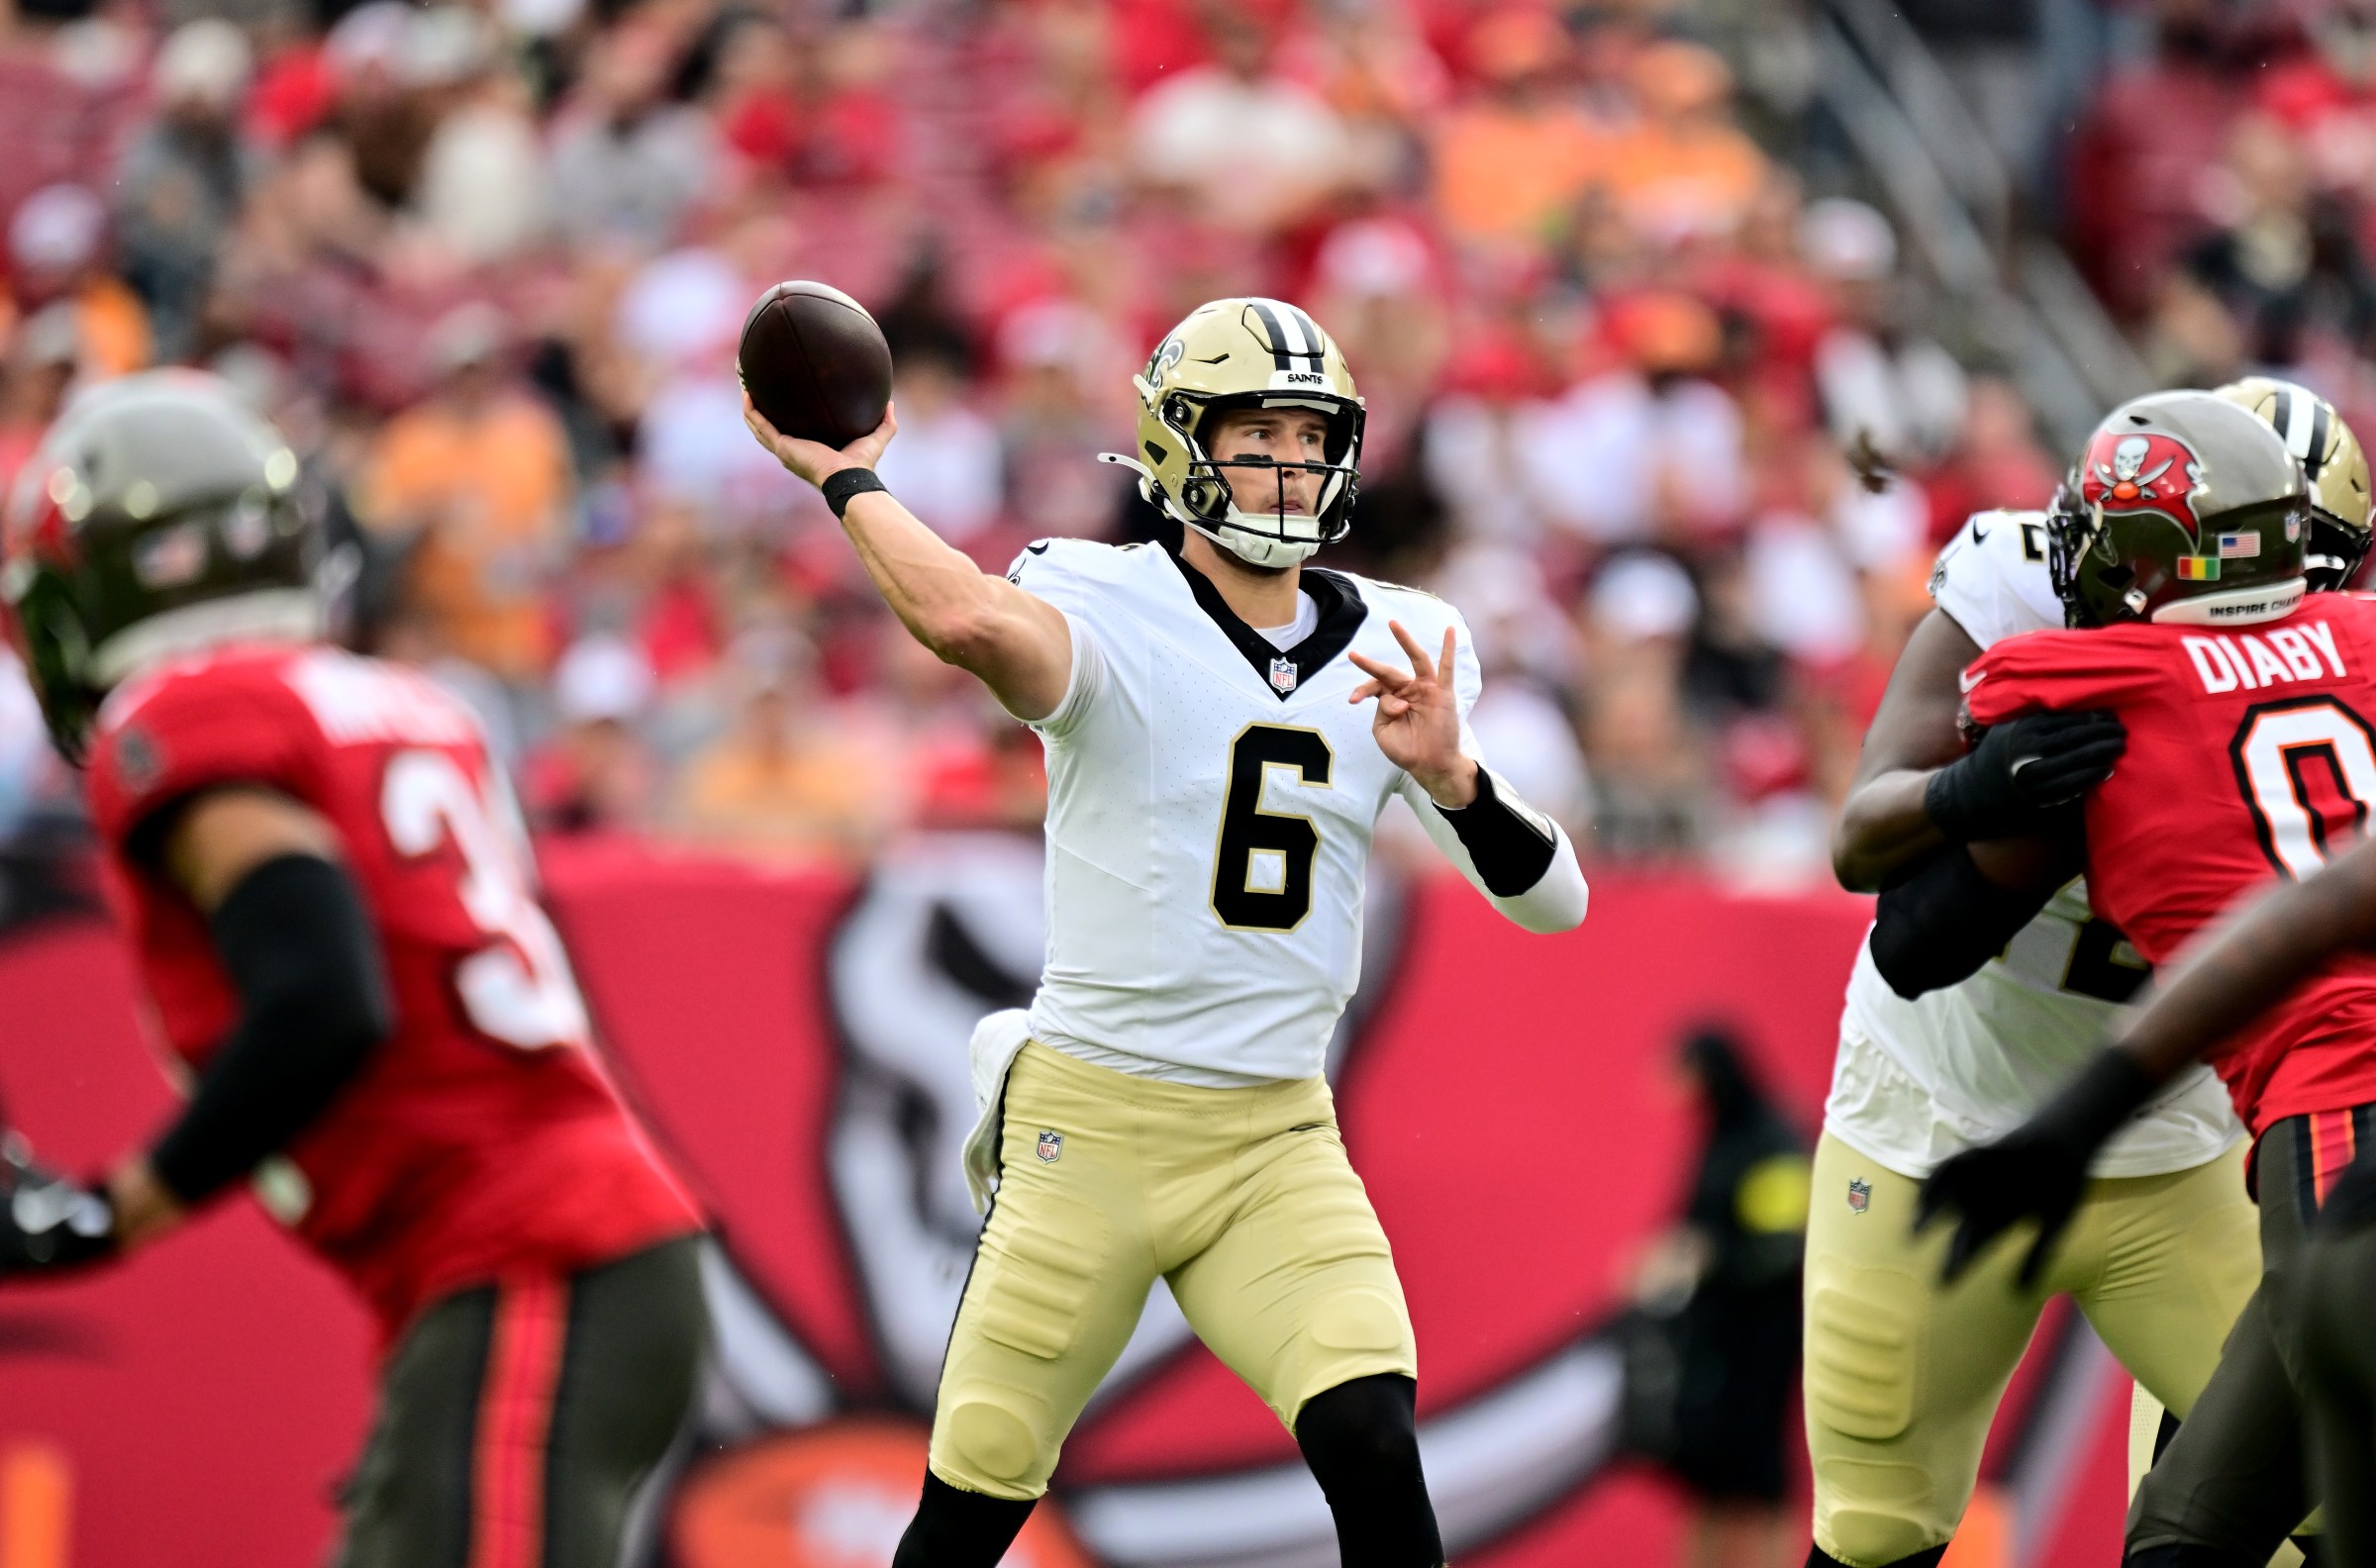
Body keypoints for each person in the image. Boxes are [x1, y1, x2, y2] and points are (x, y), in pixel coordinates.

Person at [742, 295, 1590, 1568]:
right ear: (1178, 448)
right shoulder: (1102, 598)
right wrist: (853, 480)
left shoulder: (1413, 644)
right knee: (972, 1508)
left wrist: (1457, 780)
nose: (1290, 467)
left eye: (1310, 440)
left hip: (1275, 1137)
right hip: (1092, 1128)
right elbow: (968, 622)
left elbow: (1555, 901)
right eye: (1257, 437)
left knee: (1374, 1448)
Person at [0, 373, 709, 1567]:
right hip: (528, 1266)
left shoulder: (194, 715)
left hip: (532, 1258)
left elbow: (323, 1001)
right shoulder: (392, 700)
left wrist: (107, 1213)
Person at [1805, 376, 2376, 1568]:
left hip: (2181, 1136)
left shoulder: (2299, 665)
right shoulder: (2027, 595)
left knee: (2269, 1521)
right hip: (1943, 1115)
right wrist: (1970, 795)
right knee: (1876, 1530)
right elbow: (1902, 921)